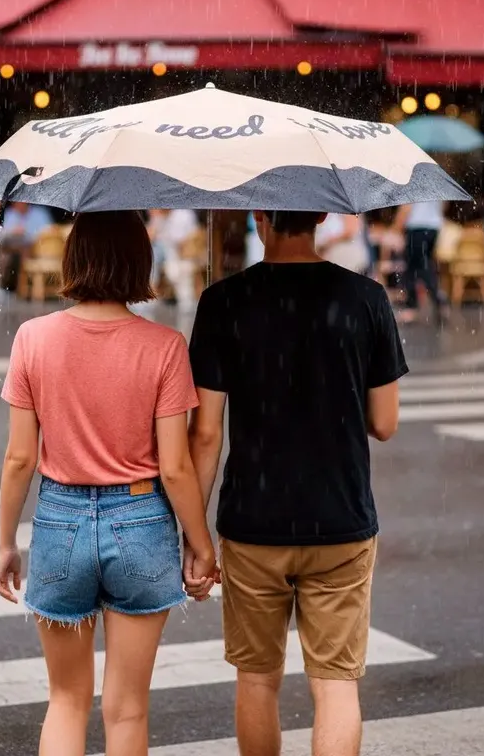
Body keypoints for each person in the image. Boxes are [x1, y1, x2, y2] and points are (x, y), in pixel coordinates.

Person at [186, 210, 407, 756]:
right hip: (341, 518)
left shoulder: (223, 301)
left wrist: (193, 535)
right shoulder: (366, 299)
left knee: (258, 680)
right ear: (323, 215)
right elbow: (384, 423)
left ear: (261, 217)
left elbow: (207, 434)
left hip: (252, 521)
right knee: (335, 686)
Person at [0, 210, 217, 756]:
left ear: (74, 260)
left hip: (59, 521)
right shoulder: (164, 346)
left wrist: (6, 542)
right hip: (142, 520)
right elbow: (175, 467)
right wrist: (200, 541)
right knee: (127, 708)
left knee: (67, 700)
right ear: (139, 262)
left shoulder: (33, 338)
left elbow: (21, 457)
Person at [394, 200, 446, 324]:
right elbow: (443, 205)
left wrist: (395, 228)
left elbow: (406, 206)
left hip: (417, 227)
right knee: (423, 265)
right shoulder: (435, 181)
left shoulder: (411, 180)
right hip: (434, 227)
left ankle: (435, 301)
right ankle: (435, 301)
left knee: (416, 267)